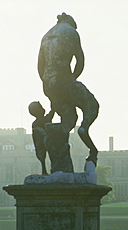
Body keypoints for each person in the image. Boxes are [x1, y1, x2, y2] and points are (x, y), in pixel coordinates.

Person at [38, 12, 99, 165]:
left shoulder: (46, 36)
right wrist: (72, 78)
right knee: (92, 105)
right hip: (64, 79)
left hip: (49, 84)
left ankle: (58, 157)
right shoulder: (71, 32)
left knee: (68, 118)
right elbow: (80, 60)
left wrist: (48, 84)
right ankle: (84, 129)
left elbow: (40, 65)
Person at [28, 101, 55, 174]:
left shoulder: (35, 123)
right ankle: (50, 169)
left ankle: (45, 170)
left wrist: (36, 146)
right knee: (52, 155)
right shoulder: (45, 119)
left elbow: (34, 137)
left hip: (40, 143)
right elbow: (52, 112)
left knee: (43, 157)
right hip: (47, 141)